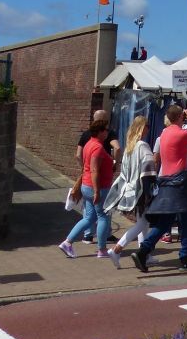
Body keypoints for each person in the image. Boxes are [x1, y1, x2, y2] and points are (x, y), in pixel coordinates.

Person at [132, 104, 187, 273]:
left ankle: (143, 251)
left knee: (166, 221)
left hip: (165, 180)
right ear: (181, 117)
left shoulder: (164, 133)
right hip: (180, 181)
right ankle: (186, 256)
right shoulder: (182, 134)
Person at [103, 114, 156, 268]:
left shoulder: (129, 147)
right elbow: (148, 169)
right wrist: (151, 190)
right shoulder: (143, 146)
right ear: (142, 127)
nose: (148, 129)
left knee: (142, 223)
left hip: (131, 190)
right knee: (142, 224)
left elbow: (125, 171)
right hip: (142, 190)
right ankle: (117, 249)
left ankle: (145, 255)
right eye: (147, 126)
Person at [59, 121, 114, 258]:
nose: (108, 132)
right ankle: (102, 250)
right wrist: (97, 191)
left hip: (86, 185)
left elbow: (89, 167)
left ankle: (67, 242)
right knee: (103, 217)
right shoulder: (97, 147)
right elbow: (95, 170)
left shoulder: (89, 144)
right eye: (106, 130)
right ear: (100, 131)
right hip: (98, 187)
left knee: (89, 217)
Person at [74, 110, 121, 242]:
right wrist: (115, 163)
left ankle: (87, 235)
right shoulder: (108, 133)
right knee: (104, 211)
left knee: (88, 210)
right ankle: (105, 237)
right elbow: (117, 148)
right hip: (102, 178)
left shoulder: (86, 135)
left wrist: (84, 168)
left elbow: (78, 155)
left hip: (87, 178)